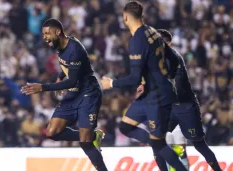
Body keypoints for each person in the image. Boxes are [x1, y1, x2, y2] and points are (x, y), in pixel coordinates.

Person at [101, 1, 187, 171]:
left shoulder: (137, 40)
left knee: (159, 143)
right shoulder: (153, 32)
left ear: (126, 17)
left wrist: (111, 83)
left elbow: (133, 79)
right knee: (125, 126)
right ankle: (157, 142)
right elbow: (174, 59)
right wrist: (154, 77)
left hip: (157, 97)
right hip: (150, 92)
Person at [21, 18, 108, 171]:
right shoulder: (59, 44)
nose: (44, 37)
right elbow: (67, 66)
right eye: (43, 34)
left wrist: (43, 87)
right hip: (74, 94)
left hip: (89, 93)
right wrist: (61, 75)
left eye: (47, 33)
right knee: (52, 132)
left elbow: (73, 81)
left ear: (58, 32)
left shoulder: (75, 49)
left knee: (84, 142)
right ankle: (95, 136)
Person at [133, 29, 222, 171]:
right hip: (170, 108)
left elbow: (176, 85)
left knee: (198, 143)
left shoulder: (174, 59)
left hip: (186, 107)